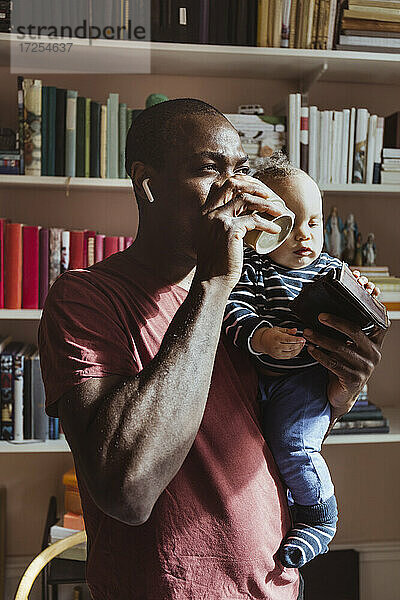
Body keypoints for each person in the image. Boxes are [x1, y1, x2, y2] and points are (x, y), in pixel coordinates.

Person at [38, 99, 387, 600]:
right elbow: (126, 490)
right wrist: (216, 279)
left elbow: (264, 432)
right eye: (209, 169)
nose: (235, 189)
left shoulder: (261, 294)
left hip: (277, 584)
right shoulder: (85, 297)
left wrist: (340, 387)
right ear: (148, 183)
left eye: (241, 170)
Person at [223, 153, 382, 570]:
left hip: (307, 380)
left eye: (313, 223)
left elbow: (356, 325)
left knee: (294, 445)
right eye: (287, 225)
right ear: (260, 227)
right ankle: (294, 513)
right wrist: (262, 336)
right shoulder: (252, 269)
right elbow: (234, 313)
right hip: (260, 379)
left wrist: (362, 298)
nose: (303, 237)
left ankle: (319, 518)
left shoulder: (330, 270)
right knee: (264, 451)